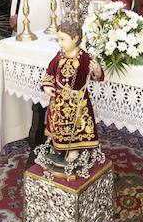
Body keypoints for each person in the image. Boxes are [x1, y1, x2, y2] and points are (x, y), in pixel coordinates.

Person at [40, 21, 103, 164]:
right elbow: (50, 71)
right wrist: (47, 85)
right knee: (59, 124)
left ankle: (74, 149)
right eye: (58, 39)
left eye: (63, 39)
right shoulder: (59, 56)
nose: (60, 43)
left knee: (76, 125)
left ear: (75, 39)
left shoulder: (84, 57)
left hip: (78, 101)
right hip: (60, 99)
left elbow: (94, 74)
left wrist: (97, 72)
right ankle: (60, 147)